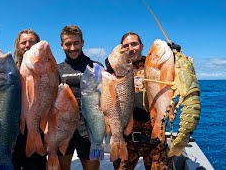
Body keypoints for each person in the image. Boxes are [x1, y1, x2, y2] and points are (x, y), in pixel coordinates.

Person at [105, 32, 172, 170]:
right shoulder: (116, 71)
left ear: (142, 46)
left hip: (155, 138)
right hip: (127, 139)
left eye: (134, 44)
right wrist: (110, 66)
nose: (130, 48)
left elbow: (171, 75)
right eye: (126, 45)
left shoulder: (154, 64)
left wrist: (174, 57)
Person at [58, 25, 101, 170]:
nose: (72, 48)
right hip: (63, 128)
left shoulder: (96, 67)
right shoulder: (57, 69)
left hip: (89, 128)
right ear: (62, 45)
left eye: (76, 43)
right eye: (68, 44)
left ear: (82, 43)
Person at [11, 28, 47, 170]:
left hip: (37, 127)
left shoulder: (44, 68)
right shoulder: (9, 68)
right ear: (17, 46)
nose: (27, 45)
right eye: (23, 42)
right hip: (13, 130)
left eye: (31, 42)